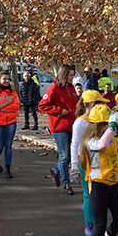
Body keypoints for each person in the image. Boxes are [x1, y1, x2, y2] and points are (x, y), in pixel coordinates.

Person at [80, 104, 118, 236]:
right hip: (98, 186)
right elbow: (101, 145)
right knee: (100, 223)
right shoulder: (90, 141)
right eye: (106, 124)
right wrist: (112, 127)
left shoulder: (113, 139)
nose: (109, 126)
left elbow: (116, 161)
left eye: (109, 123)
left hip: (113, 184)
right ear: (97, 125)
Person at [70, 90, 108, 236]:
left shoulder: (97, 119)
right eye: (100, 103)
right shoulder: (80, 122)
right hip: (85, 162)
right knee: (89, 194)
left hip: (98, 161)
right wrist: (74, 164)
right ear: (93, 105)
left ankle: (89, 210)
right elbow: (75, 143)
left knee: (95, 195)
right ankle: (89, 225)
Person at [38, 64, 79, 195]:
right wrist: (59, 111)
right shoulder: (53, 89)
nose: (72, 78)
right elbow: (42, 106)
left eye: (73, 75)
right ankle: (67, 184)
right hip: (59, 126)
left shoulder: (72, 88)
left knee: (70, 156)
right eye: (70, 75)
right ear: (64, 75)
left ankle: (56, 171)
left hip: (72, 125)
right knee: (64, 155)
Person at [0, 70, 20, 179]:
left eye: (8, 79)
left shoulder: (13, 91)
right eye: (4, 79)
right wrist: (7, 101)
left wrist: (2, 107)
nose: (6, 81)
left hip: (11, 121)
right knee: (0, 145)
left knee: (8, 145)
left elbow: (16, 106)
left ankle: (7, 169)